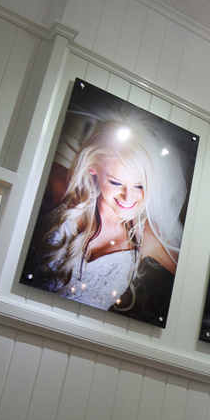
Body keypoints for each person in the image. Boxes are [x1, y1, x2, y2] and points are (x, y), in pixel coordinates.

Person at [25, 114, 186, 320]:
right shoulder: (65, 192)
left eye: (139, 186)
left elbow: (195, 282)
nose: (128, 197)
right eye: (116, 183)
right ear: (93, 167)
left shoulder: (147, 235)